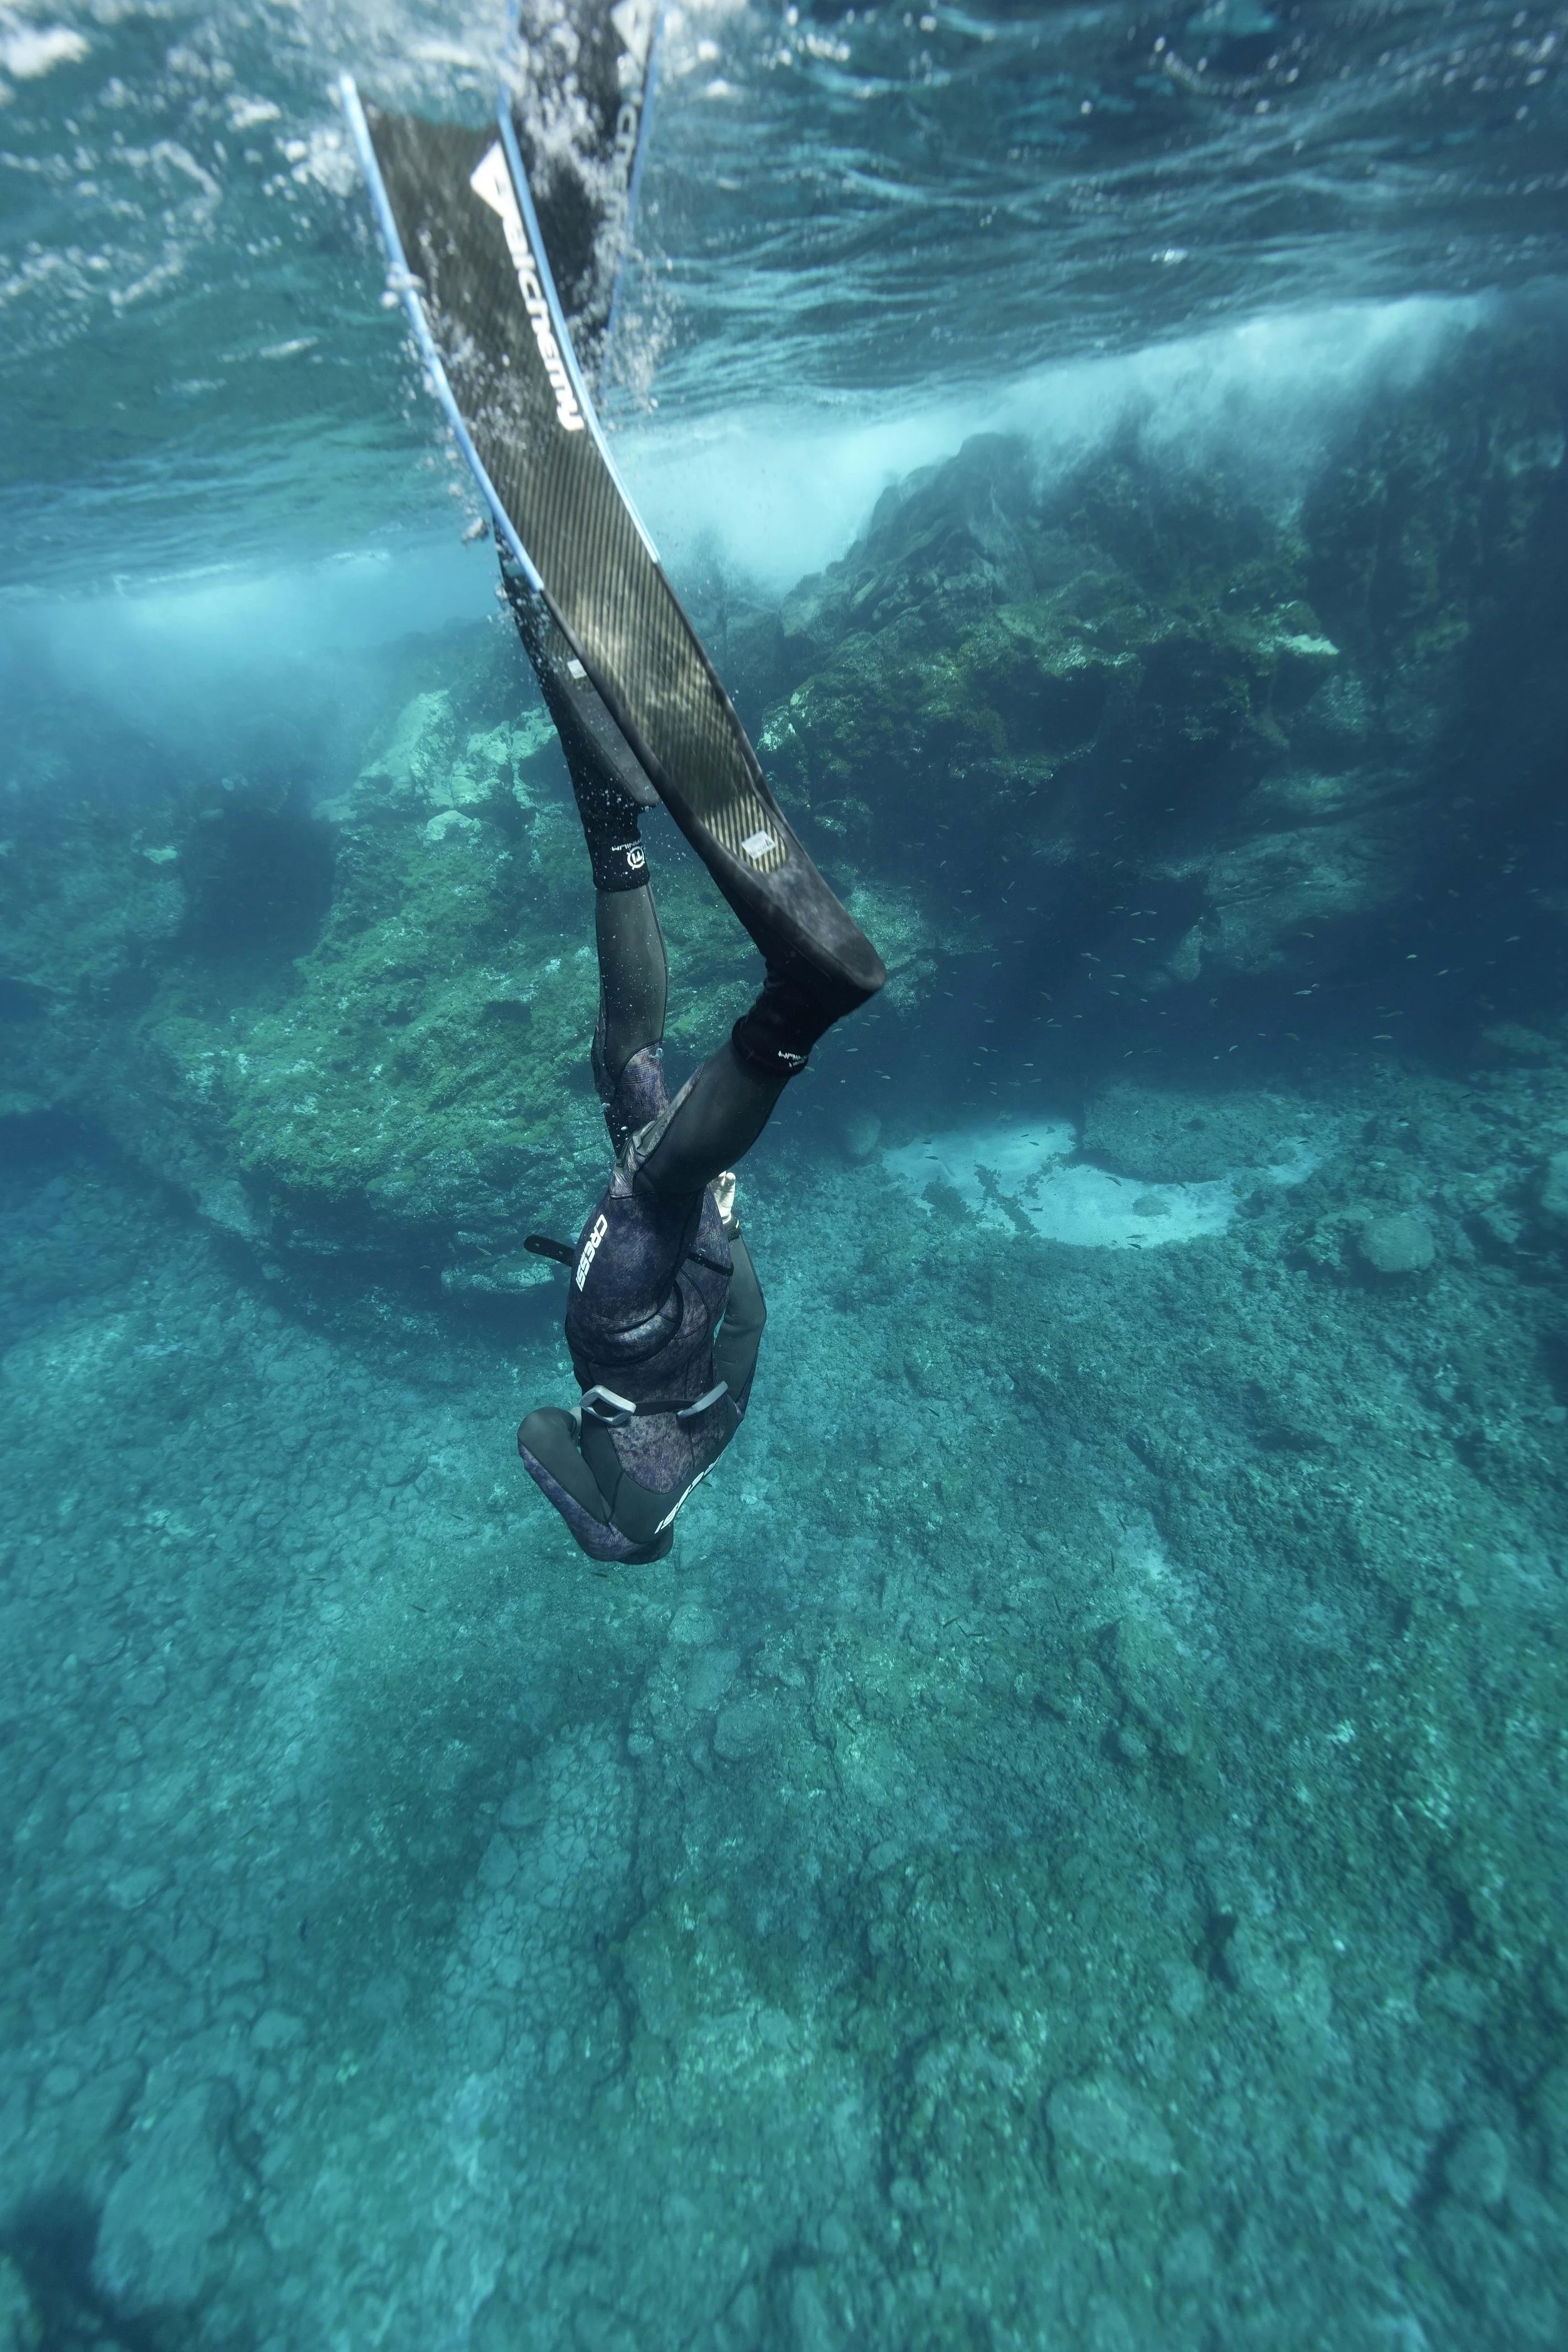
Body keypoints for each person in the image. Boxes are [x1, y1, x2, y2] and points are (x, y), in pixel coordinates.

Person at [510, 588, 882, 1564]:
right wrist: (597, 1519)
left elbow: (750, 1325)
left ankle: (612, 825)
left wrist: (727, 1227)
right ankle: (794, 1008)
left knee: (627, 1066)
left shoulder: (718, 1440)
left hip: (702, 1282)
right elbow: (538, 1429)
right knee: (649, 1172)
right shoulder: (625, 1525)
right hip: (621, 1318)